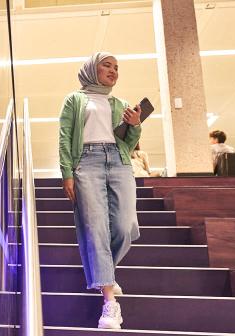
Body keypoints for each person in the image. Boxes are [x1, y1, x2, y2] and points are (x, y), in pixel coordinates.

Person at [58, 52, 142, 329]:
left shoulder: (120, 103)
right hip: (86, 161)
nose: (113, 71)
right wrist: (67, 172)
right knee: (95, 228)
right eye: (106, 65)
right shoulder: (75, 99)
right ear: (91, 69)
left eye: (116, 67)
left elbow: (128, 144)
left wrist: (135, 126)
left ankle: (104, 270)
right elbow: (65, 136)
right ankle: (109, 304)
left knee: (124, 225)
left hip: (119, 161)